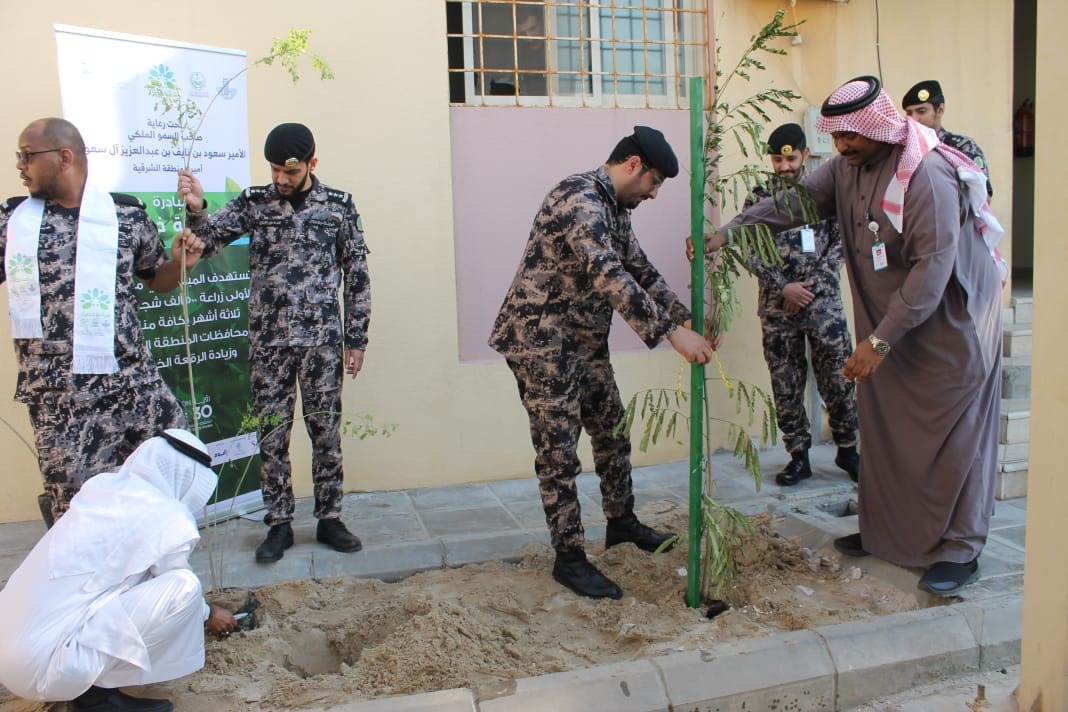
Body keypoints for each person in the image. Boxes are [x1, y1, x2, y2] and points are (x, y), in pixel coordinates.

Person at [702, 76, 1004, 596]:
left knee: (954, 440)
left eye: (850, 135)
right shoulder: (846, 167)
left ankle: (959, 548)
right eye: (836, 136)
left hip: (948, 329)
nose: (841, 145)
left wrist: (879, 342)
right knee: (886, 432)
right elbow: (796, 203)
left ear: (880, 127)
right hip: (890, 325)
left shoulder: (927, 175)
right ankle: (890, 532)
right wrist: (732, 231)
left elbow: (932, 272)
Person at [490, 126, 715, 600]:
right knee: (559, 453)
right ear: (633, 165)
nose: (653, 194)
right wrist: (672, 333)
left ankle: (621, 523)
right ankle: (569, 557)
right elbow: (608, 272)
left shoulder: (614, 208)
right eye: (654, 182)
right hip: (542, 343)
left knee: (613, 431)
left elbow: (638, 268)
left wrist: (686, 316)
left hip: (584, 342)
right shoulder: (579, 197)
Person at [177, 123, 370, 564]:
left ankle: (330, 518)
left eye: (291, 172)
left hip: (322, 343)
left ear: (311, 164)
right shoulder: (254, 202)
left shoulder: (339, 206)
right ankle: (279, 523)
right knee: (272, 435)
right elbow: (208, 241)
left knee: (325, 433)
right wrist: (197, 208)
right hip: (269, 343)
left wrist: (356, 339)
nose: (281, 179)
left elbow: (357, 275)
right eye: (275, 171)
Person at [1, 117, 204, 526]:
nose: (20, 165)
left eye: (27, 155)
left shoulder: (126, 215)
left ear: (64, 157)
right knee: (79, 516)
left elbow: (157, 278)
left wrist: (182, 263)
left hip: (133, 384)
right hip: (63, 398)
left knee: (176, 469)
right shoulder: (13, 223)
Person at [0, 429, 237, 712]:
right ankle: (94, 699)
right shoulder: (165, 515)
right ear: (185, 475)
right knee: (184, 587)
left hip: (10, 652)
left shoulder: (102, 490)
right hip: (41, 669)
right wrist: (209, 614)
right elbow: (173, 581)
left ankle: (84, 683)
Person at [742, 123, 858, 486]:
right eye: (777, 160)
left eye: (791, 159)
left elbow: (842, 242)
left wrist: (809, 290)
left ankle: (848, 449)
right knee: (786, 382)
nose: (784, 167)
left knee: (839, 377)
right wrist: (784, 287)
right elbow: (748, 247)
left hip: (823, 307)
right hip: (778, 309)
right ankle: (798, 456)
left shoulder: (826, 192)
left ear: (805, 154)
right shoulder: (759, 197)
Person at [902, 80, 992, 196]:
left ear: (940, 110)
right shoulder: (906, 150)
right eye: (909, 113)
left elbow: (984, 197)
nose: (914, 118)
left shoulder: (963, 147)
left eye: (921, 111)